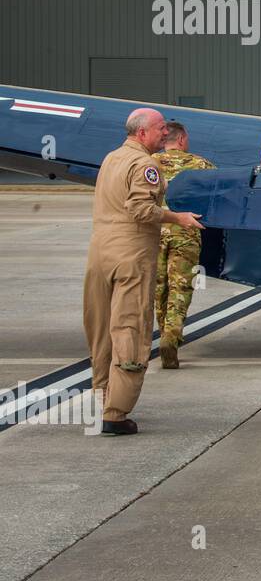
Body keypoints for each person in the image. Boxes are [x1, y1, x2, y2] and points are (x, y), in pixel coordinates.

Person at [84, 108, 204, 435]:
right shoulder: (145, 165)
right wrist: (178, 218)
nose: (165, 134)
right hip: (131, 253)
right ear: (142, 133)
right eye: (160, 128)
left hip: (100, 251)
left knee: (101, 329)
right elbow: (140, 209)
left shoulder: (111, 158)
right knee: (131, 326)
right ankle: (116, 414)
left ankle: (102, 398)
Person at [153, 121, 215, 369]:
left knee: (159, 289)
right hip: (186, 232)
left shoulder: (150, 163)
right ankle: (172, 335)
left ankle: (163, 332)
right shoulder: (200, 165)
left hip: (155, 233)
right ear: (181, 139)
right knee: (181, 287)